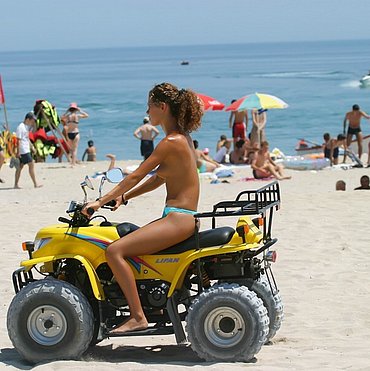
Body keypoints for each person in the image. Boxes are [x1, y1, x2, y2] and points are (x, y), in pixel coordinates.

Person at [82, 82, 203, 334]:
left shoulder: (170, 141)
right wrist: (123, 198)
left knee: (114, 252)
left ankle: (138, 317)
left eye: (149, 106)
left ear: (162, 106)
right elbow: (158, 179)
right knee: (137, 252)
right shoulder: (185, 139)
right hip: (181, 218)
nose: (147, 112)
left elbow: (136, 175)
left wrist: (99, 201)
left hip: (177, 220)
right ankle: (155, 308)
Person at [14, 112, 42, 189]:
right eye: (32, 120)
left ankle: (16, 184)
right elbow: (18, 140)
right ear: (27, 119)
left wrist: (32, 147)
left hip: (26, 149)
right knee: (31, 164)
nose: (33, 122)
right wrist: (18, 152)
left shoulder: (27, 127)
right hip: (23, 150)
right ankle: (35, 184)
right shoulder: (21, 127)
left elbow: (28, 137)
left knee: (20, 167)